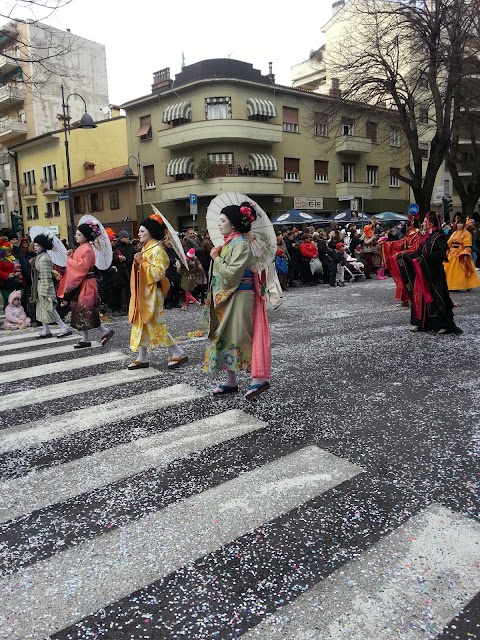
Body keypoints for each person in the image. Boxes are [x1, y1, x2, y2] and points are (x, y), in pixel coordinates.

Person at [204, 200, 271, 399]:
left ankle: (257, 379)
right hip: (230, 296)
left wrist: (216, 258)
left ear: (233, 224)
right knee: (227, 337)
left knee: (242, 336)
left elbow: (232, 274)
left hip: (240, 296)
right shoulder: (230, 243)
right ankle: (231, 381)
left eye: (222, 220)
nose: (219, 224)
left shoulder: (240, 244)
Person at [128, 213, 188, 370]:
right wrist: (137, 263)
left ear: (151, 232)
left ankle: (177, 352)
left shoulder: (157, 250)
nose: (139, 234)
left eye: (142, 231)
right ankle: (142, 357)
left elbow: (158, 273)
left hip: (152, 293)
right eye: (139, 231)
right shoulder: (147, 248)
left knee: (155, 323)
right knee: (142, 322)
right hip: (145, 292)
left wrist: (141, 263)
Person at [398, 213, 462, 335]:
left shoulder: (439, 238)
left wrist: (423, 259)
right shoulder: (426, 237)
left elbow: (441, 254)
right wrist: (404, 255)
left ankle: (443, 324)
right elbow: (418, 253)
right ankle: (421, 323)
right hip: (423, 273)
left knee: (438, 298)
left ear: (430, 223)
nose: (422, 223)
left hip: (435, 273)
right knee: (420, 298)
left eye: (425, 221)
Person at [57, 222, 115, 349]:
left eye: (79, 234)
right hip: (84, 282)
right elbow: (79, 263)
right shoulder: (83, 247)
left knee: (85, 308)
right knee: (80, 309)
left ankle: (102, 331)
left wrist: (69, 260)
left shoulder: (87, 249)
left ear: (86, 236)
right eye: (76, 234)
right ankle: (87, 337)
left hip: (87, 282)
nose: (76, 236)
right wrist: (71, 256)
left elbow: (81, 267)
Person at [31, 234, 71, 338]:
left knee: (49, 308)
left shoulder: (44, 258)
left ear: (43, 246)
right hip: (40, 285)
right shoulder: (39, 257)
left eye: (38, 245)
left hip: (45, 286)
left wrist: (46, 291)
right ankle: (46, 329)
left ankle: (64, 327)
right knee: (42, 308)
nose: (35, 247)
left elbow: (45, 276)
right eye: (34, 245)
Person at [443, 215, 480, 291]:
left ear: (463, 224)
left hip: (461, 252)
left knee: (461, 270)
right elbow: (449, 242)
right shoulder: (454, 233)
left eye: (461, 223)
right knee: (448, 269)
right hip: (452, 252)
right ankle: (450, 285)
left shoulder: (467, 234)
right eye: (458, 223)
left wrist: (465, 254)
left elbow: (467, 245)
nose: (459, 225)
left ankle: (459, 285)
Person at [0, 240, 26, 310]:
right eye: (7, 249)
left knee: (16, 302)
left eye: (10, 249)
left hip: (15, 283)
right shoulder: (1, 260)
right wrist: (7, 275)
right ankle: (8, 317)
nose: (9, 250)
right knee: (8, 301)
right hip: (5, 284)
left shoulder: (13, 258)